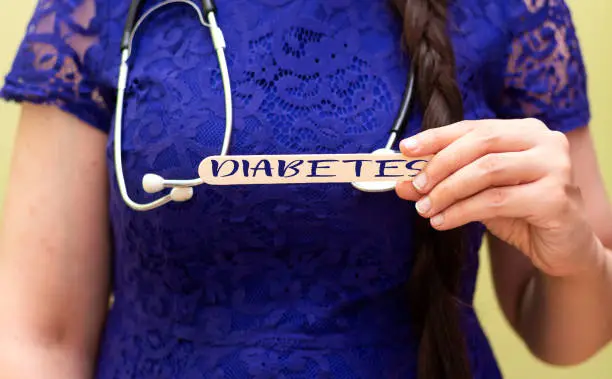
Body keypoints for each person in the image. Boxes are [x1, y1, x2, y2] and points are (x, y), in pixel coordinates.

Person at [1, 0, 611, 378]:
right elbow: (36, 336)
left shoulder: (517, 11)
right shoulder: (91, 10)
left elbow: (565, 339)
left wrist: (578, 258)